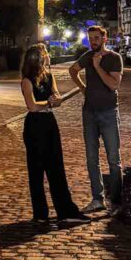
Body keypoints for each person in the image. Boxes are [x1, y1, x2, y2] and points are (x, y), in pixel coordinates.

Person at [21, 44, 89, 226]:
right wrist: (49, 103)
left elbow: (56, 98)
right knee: (36, 170)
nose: (48, 56)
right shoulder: (27, 80)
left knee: (56, 167)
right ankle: (40, 214)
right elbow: (32, 106)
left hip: (49, 123)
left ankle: (65, 210)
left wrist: (56, 101)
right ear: (38, 58)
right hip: (34, 125)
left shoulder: (49, 77)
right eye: (45, 54)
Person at [69, 25, 123, 214]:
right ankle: (97, 199)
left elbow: (113, 85)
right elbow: (72, 70)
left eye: (97, 38)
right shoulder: (87, 56)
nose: (93, 41)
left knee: (113, 159)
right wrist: (83, 88)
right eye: (90, 38)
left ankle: (116, 201)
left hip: (108, 112)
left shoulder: (114, 58)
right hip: (89, 113)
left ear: (104, 39)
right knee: (92, 159)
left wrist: (98, 67)